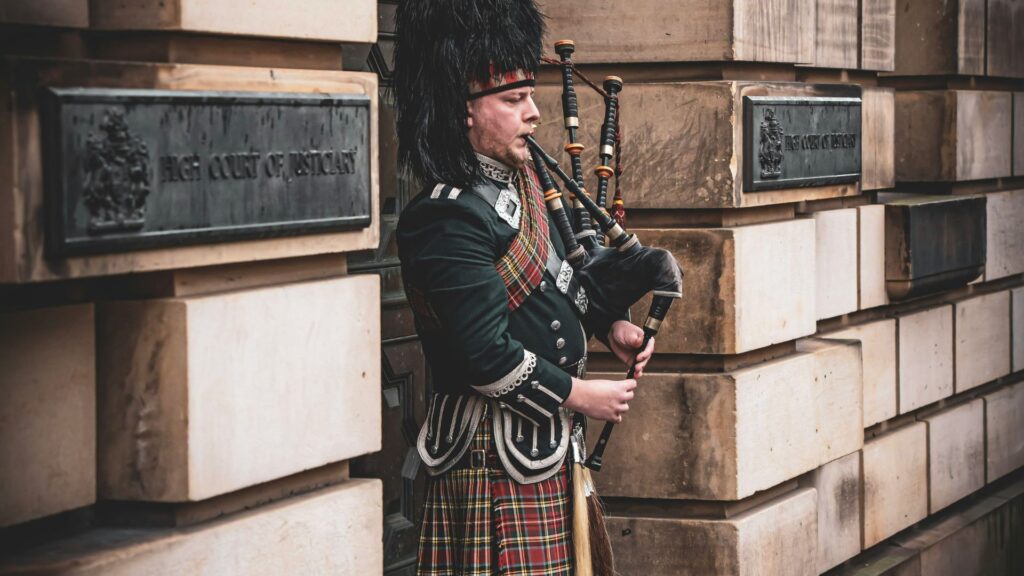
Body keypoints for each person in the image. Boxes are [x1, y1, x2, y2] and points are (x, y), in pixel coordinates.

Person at [393, 1, 654, 574]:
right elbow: (484, 355)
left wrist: (611, 325)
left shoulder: (526, 182)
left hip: (545, 447)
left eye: (530, 96)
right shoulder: (445, 216)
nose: (534, 113)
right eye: (513, 100)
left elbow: (560, 283)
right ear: (463, 110)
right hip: (488, 454)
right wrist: (580, 395)